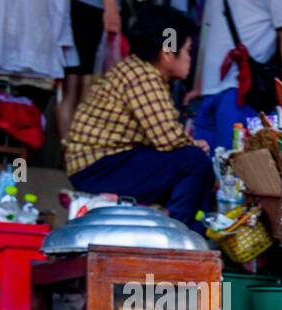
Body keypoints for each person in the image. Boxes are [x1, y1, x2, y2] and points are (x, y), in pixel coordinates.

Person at [65, 6, 214, 231]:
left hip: (102, 164)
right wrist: (196, 147)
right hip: (99, 168)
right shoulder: (144, 77)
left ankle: (173, 227)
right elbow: (169, 139)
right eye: (187, 51)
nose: (189, 59)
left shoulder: (137, 70)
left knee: (189, 162)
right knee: (194, 162)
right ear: (167, 52)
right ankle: (181, 233)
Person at [191, 0, 282, 151]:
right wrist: (198, 86)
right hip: (209, 91)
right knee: (206, 165)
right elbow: (207, 31)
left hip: (241, 93)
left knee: (234, 164)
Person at [58, 0, 121, 141]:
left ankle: (65, 146)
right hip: (94, 9)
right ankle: (79, 143)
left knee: (70, 85)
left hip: (71, 9)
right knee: (88, 79)